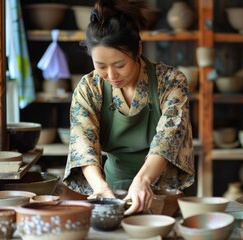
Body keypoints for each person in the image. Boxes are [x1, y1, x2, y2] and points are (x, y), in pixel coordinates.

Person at [63, 0, 195, 215]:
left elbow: (168, 139)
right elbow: (82, 145)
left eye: (119, 65)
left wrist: (142, 180)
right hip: (112, 187)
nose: (111, 76)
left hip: (164, 189)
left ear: (138, 50)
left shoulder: (170, 81)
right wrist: (100, 188)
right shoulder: (89, 88)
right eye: (101, 66)